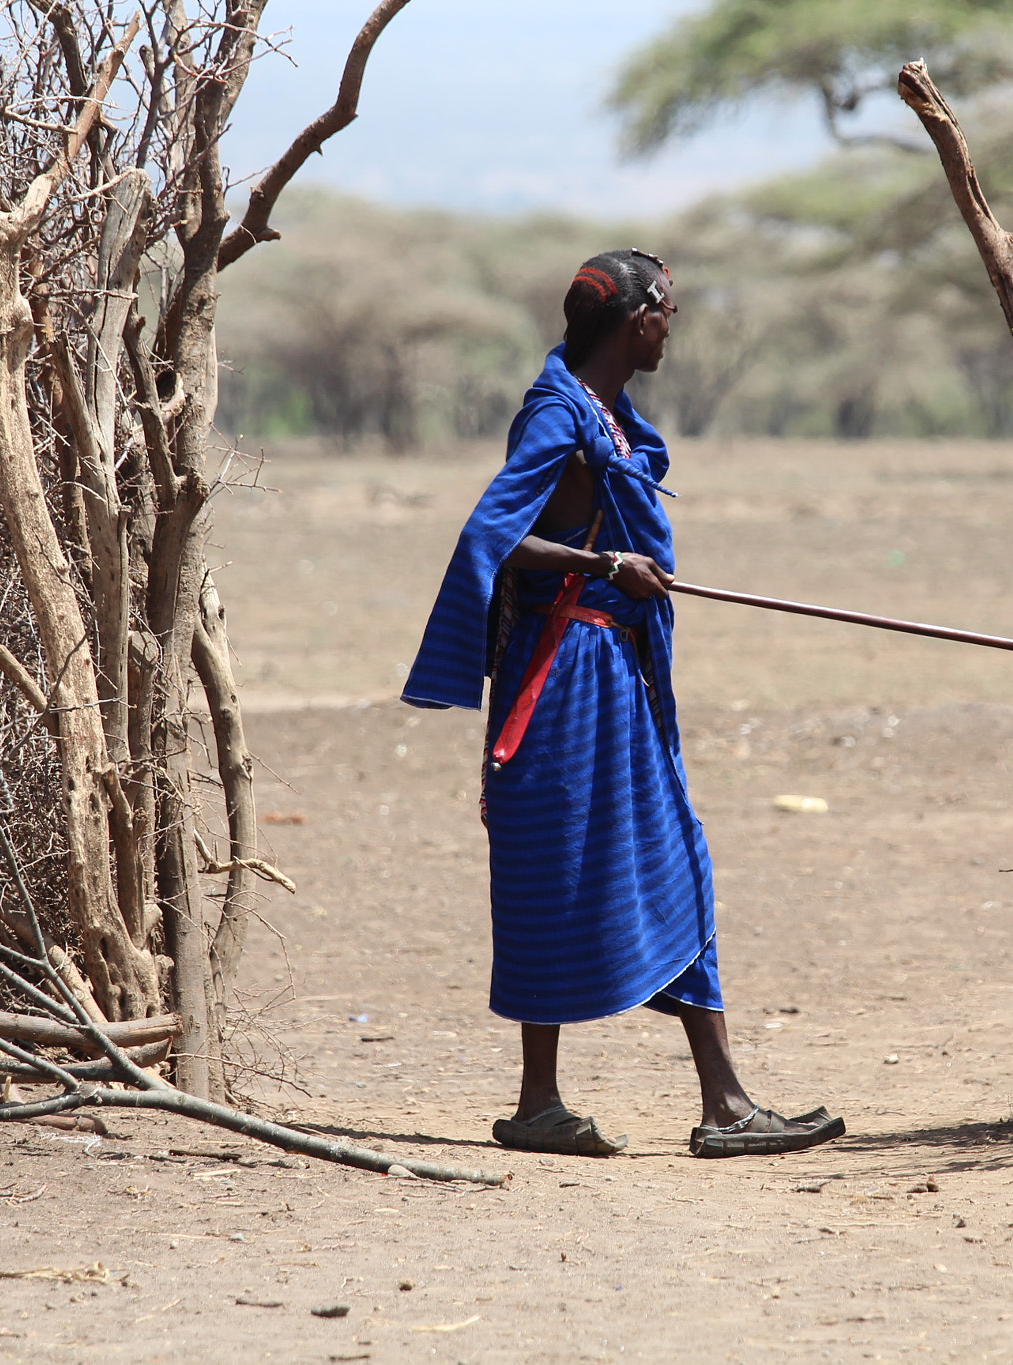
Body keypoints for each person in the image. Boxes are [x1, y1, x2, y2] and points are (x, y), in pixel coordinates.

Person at [403, 248, 844, 1159]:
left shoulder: (608, 413)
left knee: (676, 857)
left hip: (619, 669)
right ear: (635, 319)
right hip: (563, 671)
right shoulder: (559, 415)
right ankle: (540, 1106)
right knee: (550, 864)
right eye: (667, 311)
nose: (672, 327)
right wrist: (606, 564)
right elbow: (494, 535)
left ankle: (722, 1102)